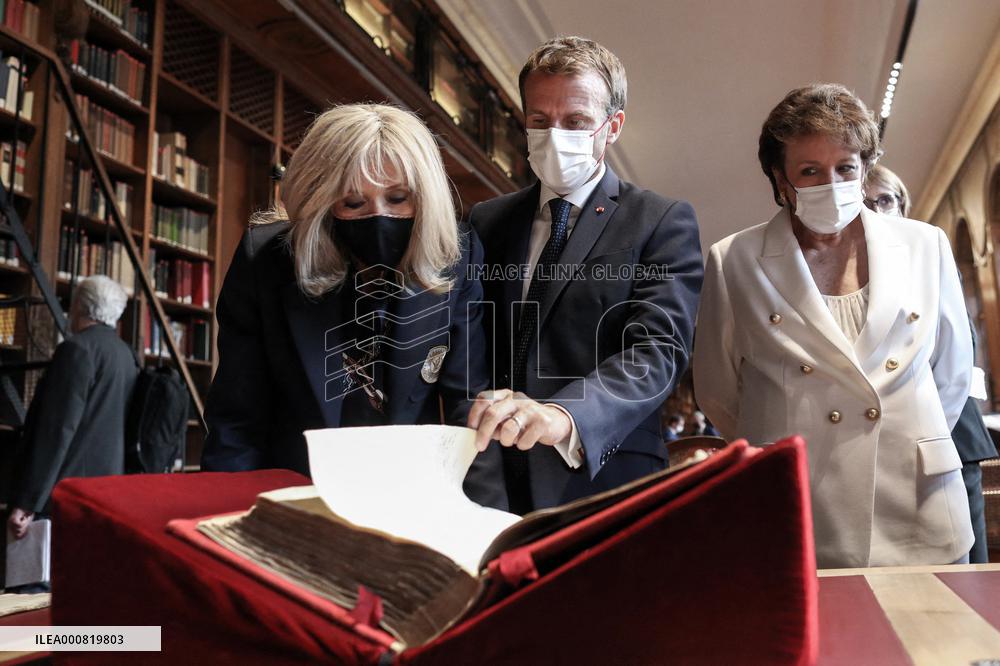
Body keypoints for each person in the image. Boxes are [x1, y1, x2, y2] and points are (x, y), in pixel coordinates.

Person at [693, 83, 974, 568]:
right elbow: (719, 391)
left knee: (931, 640)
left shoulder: (925, 245)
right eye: (810, 171)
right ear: (781, 181)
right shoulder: (734, 259)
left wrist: (899, 437)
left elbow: (951, 373)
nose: (831, 182)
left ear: (864, 169)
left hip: (916, 498)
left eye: (845, 167)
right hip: (798, 502)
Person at [201, 104, 503, 508]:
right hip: (296, 493)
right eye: (354, 204)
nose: (380, 217)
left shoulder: (457, 255)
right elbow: (237, 418)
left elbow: (469, 402)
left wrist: (489, 524)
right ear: (320, 204)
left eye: (398, 199)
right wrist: (228, 517)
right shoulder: (267, 261)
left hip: (410, 494)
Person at [468, 36, 704, 513]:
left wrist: (564, 414)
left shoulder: (659, 221)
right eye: (540, 120)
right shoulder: (485, 222)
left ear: (612, 126)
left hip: (601, 479)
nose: (555, 136)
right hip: (487, 476)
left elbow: (656, 352)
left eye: (576, 122)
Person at [865, 164, 997, 564]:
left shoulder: (929, 256)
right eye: (868, 203)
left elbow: (961, 347)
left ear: (903, 205)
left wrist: (931, 428)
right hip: (885, 445)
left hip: (951, 434)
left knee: (968, 565)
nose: (878, 209)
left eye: (886, 199)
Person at [8, 275, 138, 540]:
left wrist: (28, 500)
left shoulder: (77, 349)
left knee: (39, 578)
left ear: (80, 305)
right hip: (108, 490)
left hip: (65, 492)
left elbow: (56, 432)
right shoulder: (127, 355)